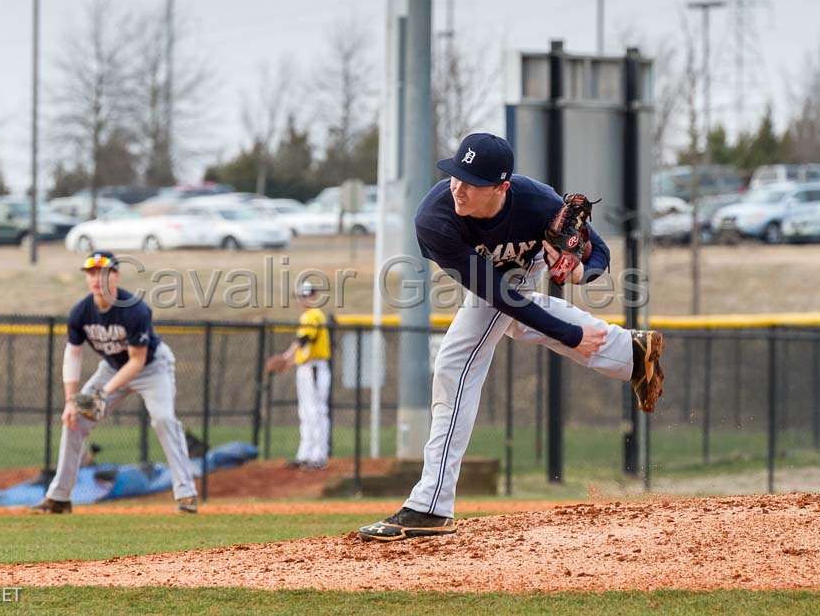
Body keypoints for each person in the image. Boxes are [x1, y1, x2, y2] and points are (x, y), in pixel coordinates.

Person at [358, 133, 665, 542]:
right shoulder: (435, 219)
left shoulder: (537, 202)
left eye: (472, 182)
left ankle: (430, 506)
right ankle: (629, 351)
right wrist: (571, 334)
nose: (458, 188)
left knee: (456, 363)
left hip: (525, 263)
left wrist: (580, 271)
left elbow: (599, 250)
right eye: (454, 176)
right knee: (512, 319)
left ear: (502, 187)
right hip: (491, 279)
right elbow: (497, 295)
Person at [33, 251, 198, 514]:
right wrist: (70, 401)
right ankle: (60, 497)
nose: (97, 278)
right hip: (111, 369)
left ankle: (186, 493)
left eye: (103, 272)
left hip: (152, 368)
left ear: (116, 276)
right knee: (74, 420)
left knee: (163, 419)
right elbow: (72, 355)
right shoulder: (81, 312)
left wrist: (103, 394)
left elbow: (137, 361)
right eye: (91, 273)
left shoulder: (134, 310)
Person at [274, 281, 332, 470]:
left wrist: (285, 357)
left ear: (314, 296)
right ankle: (305, 454)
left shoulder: (314, 315)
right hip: (306, 368)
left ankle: (319, 456)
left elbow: (304, 340)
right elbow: (304, 349)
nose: (304, 299)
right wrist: (290, 363)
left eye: (307, 295)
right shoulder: (307, 316)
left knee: (316, 411)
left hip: (315, 368)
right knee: (306, 412)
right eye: (302, 296)